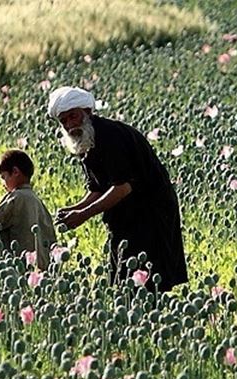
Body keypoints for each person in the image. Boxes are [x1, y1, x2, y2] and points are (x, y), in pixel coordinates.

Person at [47, 86, 188, 293]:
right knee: (122, 280)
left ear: (87, 112)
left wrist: (83, 214)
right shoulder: (86, 139)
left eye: (73, 117)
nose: (69, 125)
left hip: (149, 214)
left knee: (146, 282)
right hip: (124, 217)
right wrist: (74, 209)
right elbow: (97, 188)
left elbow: (122, 187)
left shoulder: (110, 136)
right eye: (64, 121)